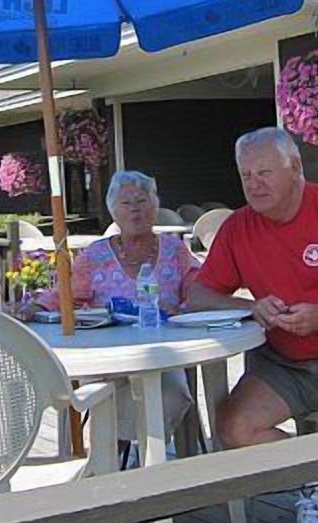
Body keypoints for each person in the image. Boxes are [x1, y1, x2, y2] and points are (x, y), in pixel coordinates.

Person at [187, 127, 318, 523]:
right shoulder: (239, 226)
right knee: (233, 428)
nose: (254, 185)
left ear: (294, 167)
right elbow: (199, 295)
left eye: (264, 173)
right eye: (245, 176)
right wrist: (250, 306)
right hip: (281, 361)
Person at [31, 170, 198, 454]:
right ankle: (118, 459)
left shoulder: (175, 249)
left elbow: (199, 286)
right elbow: (65, 296)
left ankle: (144, 455)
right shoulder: (95, 256)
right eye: (126, 203)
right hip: (108, 358)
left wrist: (184, 306)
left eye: (142, 201)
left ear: (155, 206)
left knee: (169, 393)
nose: (135, 209)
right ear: (113, 212)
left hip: (162, 355)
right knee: (107, 396)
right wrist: (33, 307)